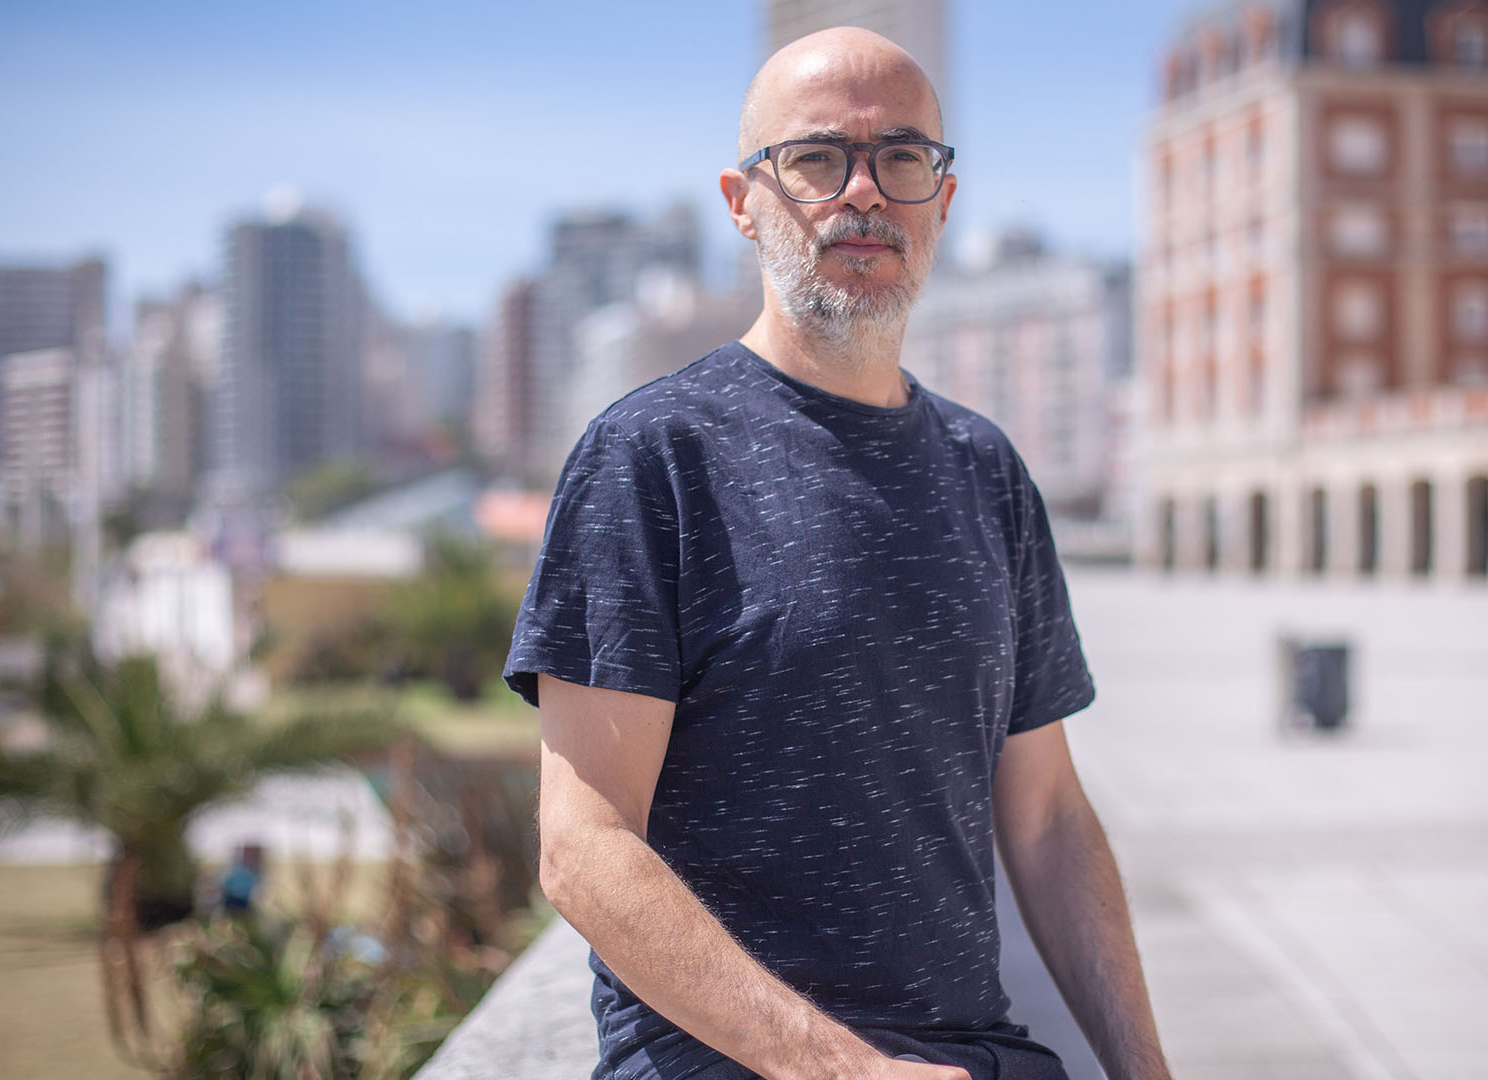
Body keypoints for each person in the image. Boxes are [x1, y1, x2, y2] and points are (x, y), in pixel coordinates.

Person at [504, 26, 1175, 1080]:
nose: (863, 192)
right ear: (743, 202)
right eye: (817, 159)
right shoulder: (651, 456)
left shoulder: (986, 469)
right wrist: (846, 1070)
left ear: (942, 202)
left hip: (973, 1051)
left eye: (902, 157)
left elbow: (1047, 816)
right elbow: (582, 846)